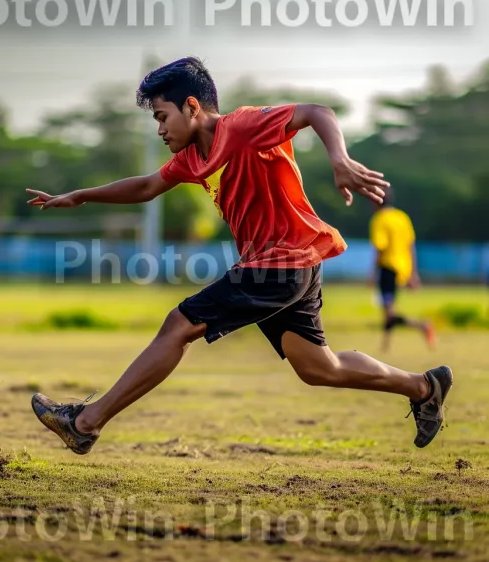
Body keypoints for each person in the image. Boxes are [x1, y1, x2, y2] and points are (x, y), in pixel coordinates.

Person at [25, 57, 452, 454]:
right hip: (288, 265)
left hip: (281, 262)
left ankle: (86, 423)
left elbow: (317, 111)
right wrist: (78, 196)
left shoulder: (245, 126)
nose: (159, 129)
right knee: (319, 367)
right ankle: (423, 387)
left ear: (191, 107)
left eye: (161, 116)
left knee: (178, 325)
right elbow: (145, 186)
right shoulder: (192, 158)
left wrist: (339, 158)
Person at [370, 188, 436, 352]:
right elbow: (411, 246)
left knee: (389, 312)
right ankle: (385, 346)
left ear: (376, 202)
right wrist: (413, 273)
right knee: (388, 310)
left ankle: (422, 325)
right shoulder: (402, 217)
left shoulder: (380, 219)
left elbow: (381, 248)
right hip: (402, 268)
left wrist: (372, 273)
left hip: (388, 267)